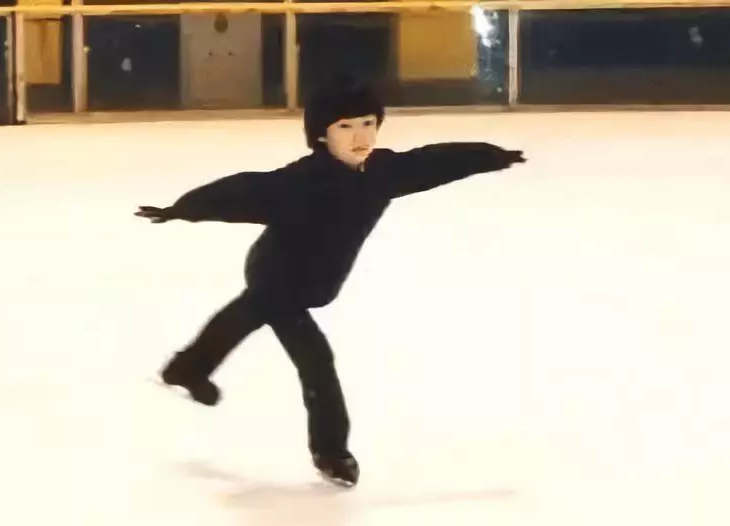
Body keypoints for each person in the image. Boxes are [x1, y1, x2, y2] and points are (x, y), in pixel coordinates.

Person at [134, 79, 526, 487]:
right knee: (315, 361)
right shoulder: (301, 182)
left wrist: (490, 156)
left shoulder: (382, 173)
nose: (360, 137)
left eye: (368, 123)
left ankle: (186, 368)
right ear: (322, 134)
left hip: (315, 282)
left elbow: (433, 162)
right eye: (345, 127)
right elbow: (242, 190)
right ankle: (331, 451)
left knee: (243, 316)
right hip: (278, 275)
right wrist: (182, 209)